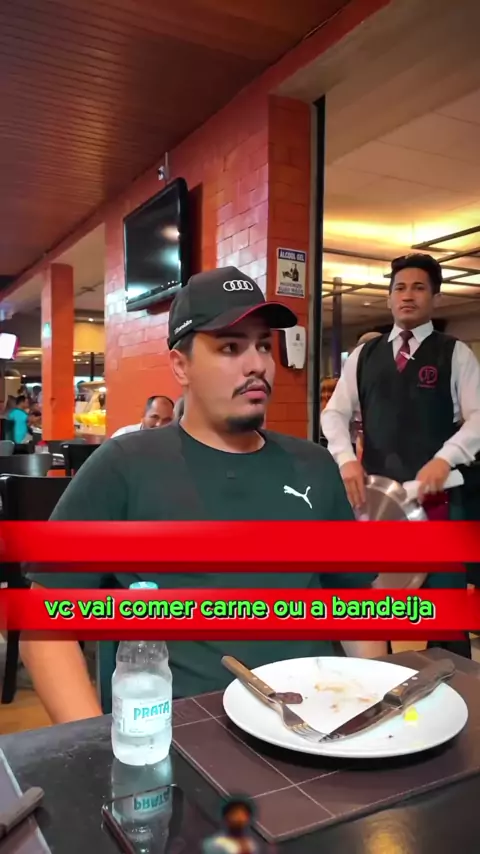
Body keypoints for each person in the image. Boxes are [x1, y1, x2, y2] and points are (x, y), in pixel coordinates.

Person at [22, 265, 384, 724]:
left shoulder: (314, 465)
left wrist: (375, 714)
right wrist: (97, 746)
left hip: (314, 721)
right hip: (180, 735)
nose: (256, 364)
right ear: (181, 365)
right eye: (230, 347)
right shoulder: (124, 466)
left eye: (263, 346)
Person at [321, 252, 480, 656]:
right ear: (390, 297)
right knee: (375, 611)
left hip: (437, 506)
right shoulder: (364, 356)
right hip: (378, 507)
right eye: (400, 288)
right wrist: (346, 459)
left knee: (446, 618)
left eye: (419, 288)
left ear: (435, 298)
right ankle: (380, 685)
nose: (408, 296)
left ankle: (455, 688)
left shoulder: (455, 353)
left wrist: (446, 457)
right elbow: (334, 414)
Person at [202, 798, 272, 854]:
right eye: (235, 814)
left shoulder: (251, 845)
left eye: (243, 815)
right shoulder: (215, 844)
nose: (239, 819)